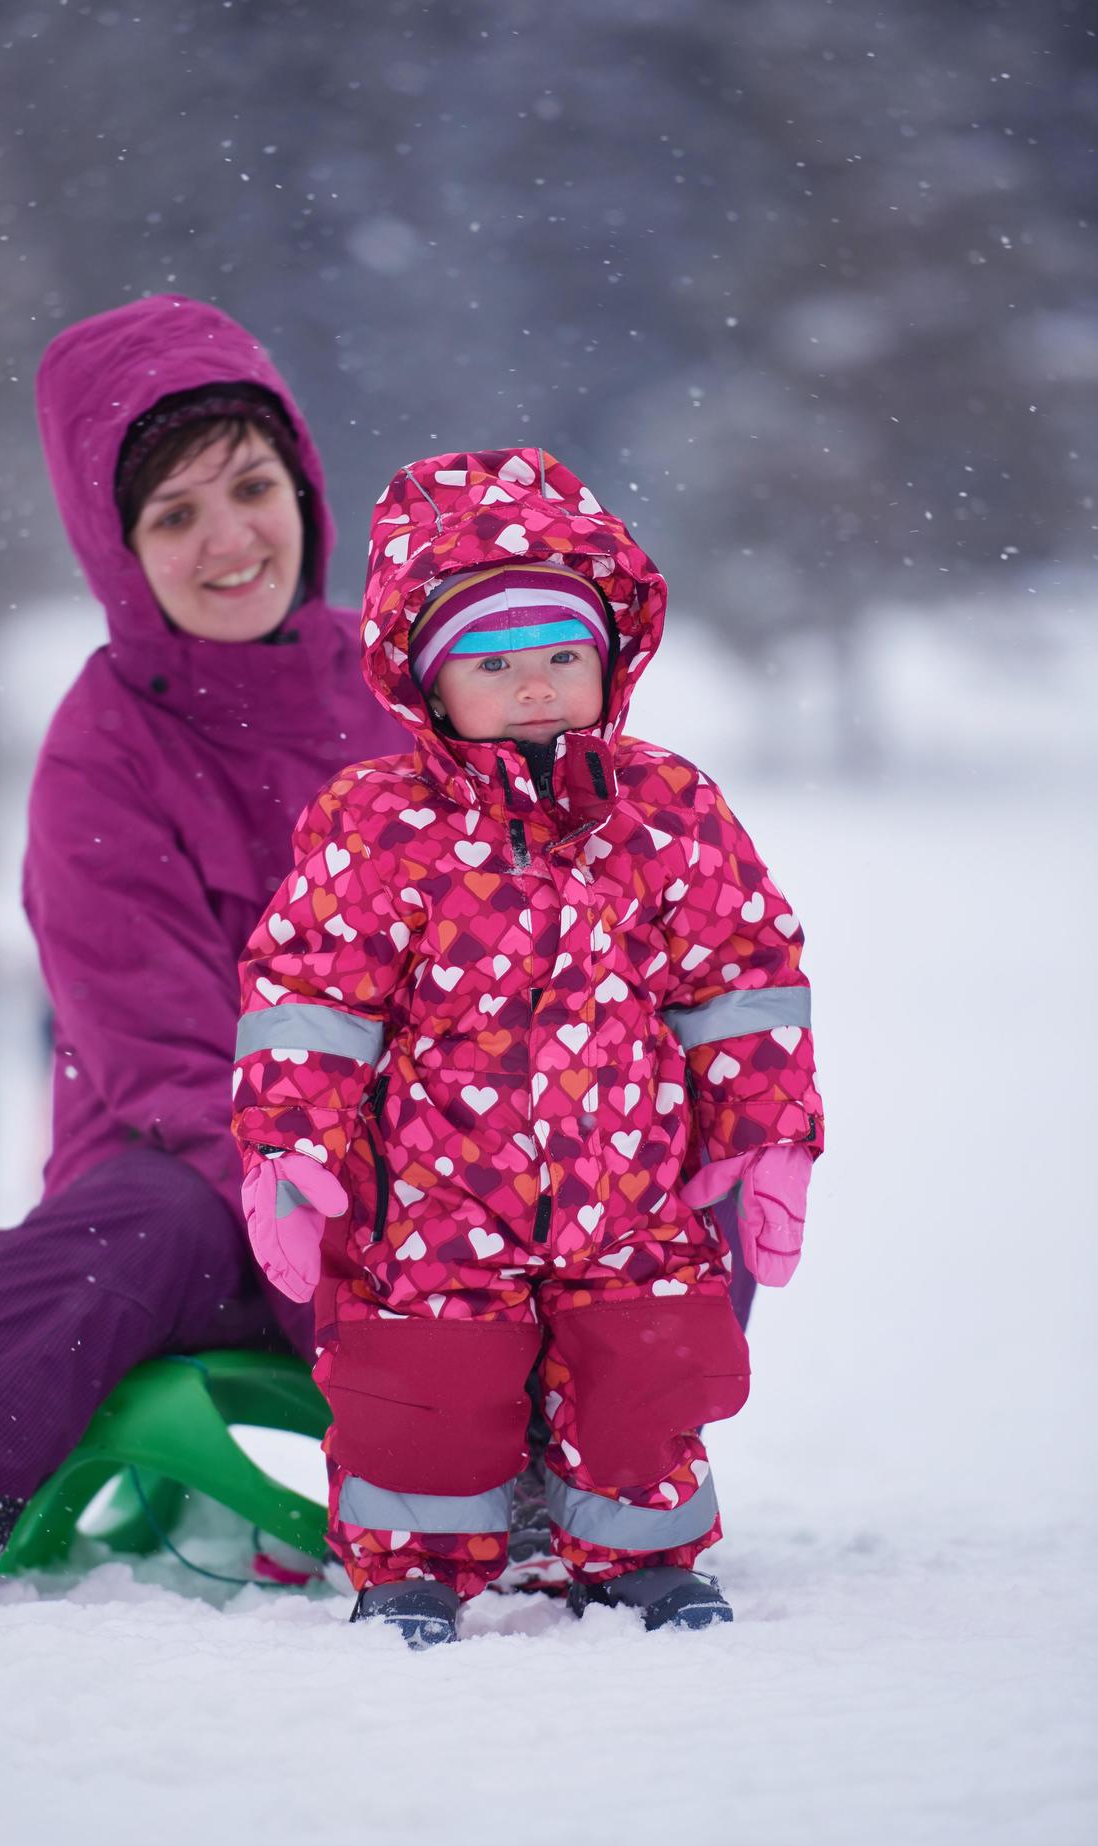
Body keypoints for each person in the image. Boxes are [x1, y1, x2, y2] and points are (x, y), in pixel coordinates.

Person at [0, 294, 402, 1619]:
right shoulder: (104, 747)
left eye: (249, 487)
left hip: (428, 1166)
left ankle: (595, 1474)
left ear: (302, 483)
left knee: (639, 1170)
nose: (229, 539)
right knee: (129, 1220)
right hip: (206, 1183)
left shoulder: (402, 695)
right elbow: (171, 1065)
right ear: (119, 550)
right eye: (174, 516)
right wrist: (341, 1215)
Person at [231, 446, 824, 1646]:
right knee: (424, 1377)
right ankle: (413, 1562)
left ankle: (641, 1553)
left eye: (564, 654)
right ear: (429, 683)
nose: (539, 686)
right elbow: (310, 998)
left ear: (611, 659)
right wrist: (292, 1146)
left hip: (633, 1185)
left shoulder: (668, 810)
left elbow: (740, 977)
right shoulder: (379, 821)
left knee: (646, 1367)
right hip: (441, 1189)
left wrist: (765, 1138)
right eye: (495, 664)